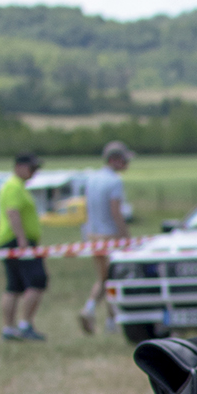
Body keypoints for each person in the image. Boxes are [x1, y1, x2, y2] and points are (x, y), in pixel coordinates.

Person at [79, 140, 131, 335]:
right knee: (114, 280)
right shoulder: (114, 181)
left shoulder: (92, 178)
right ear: (115, 160)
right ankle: (111, 320)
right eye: (125, 160)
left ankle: (90, 309)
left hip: (93, 235)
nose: (127, 164)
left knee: (103, 278)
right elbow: (115, 212)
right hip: (110, 236)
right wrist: (125, 236)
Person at [0, 152, 47, 342]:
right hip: (17, 241)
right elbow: (13, 213)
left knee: (14, 286)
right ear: (19, 167)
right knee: (37, 280)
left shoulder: (18, 186)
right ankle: (25, 324)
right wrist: (22, 240)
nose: (34, 173)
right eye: (31, 168)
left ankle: (9, 328)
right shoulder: (13, 186)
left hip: (13, 240)